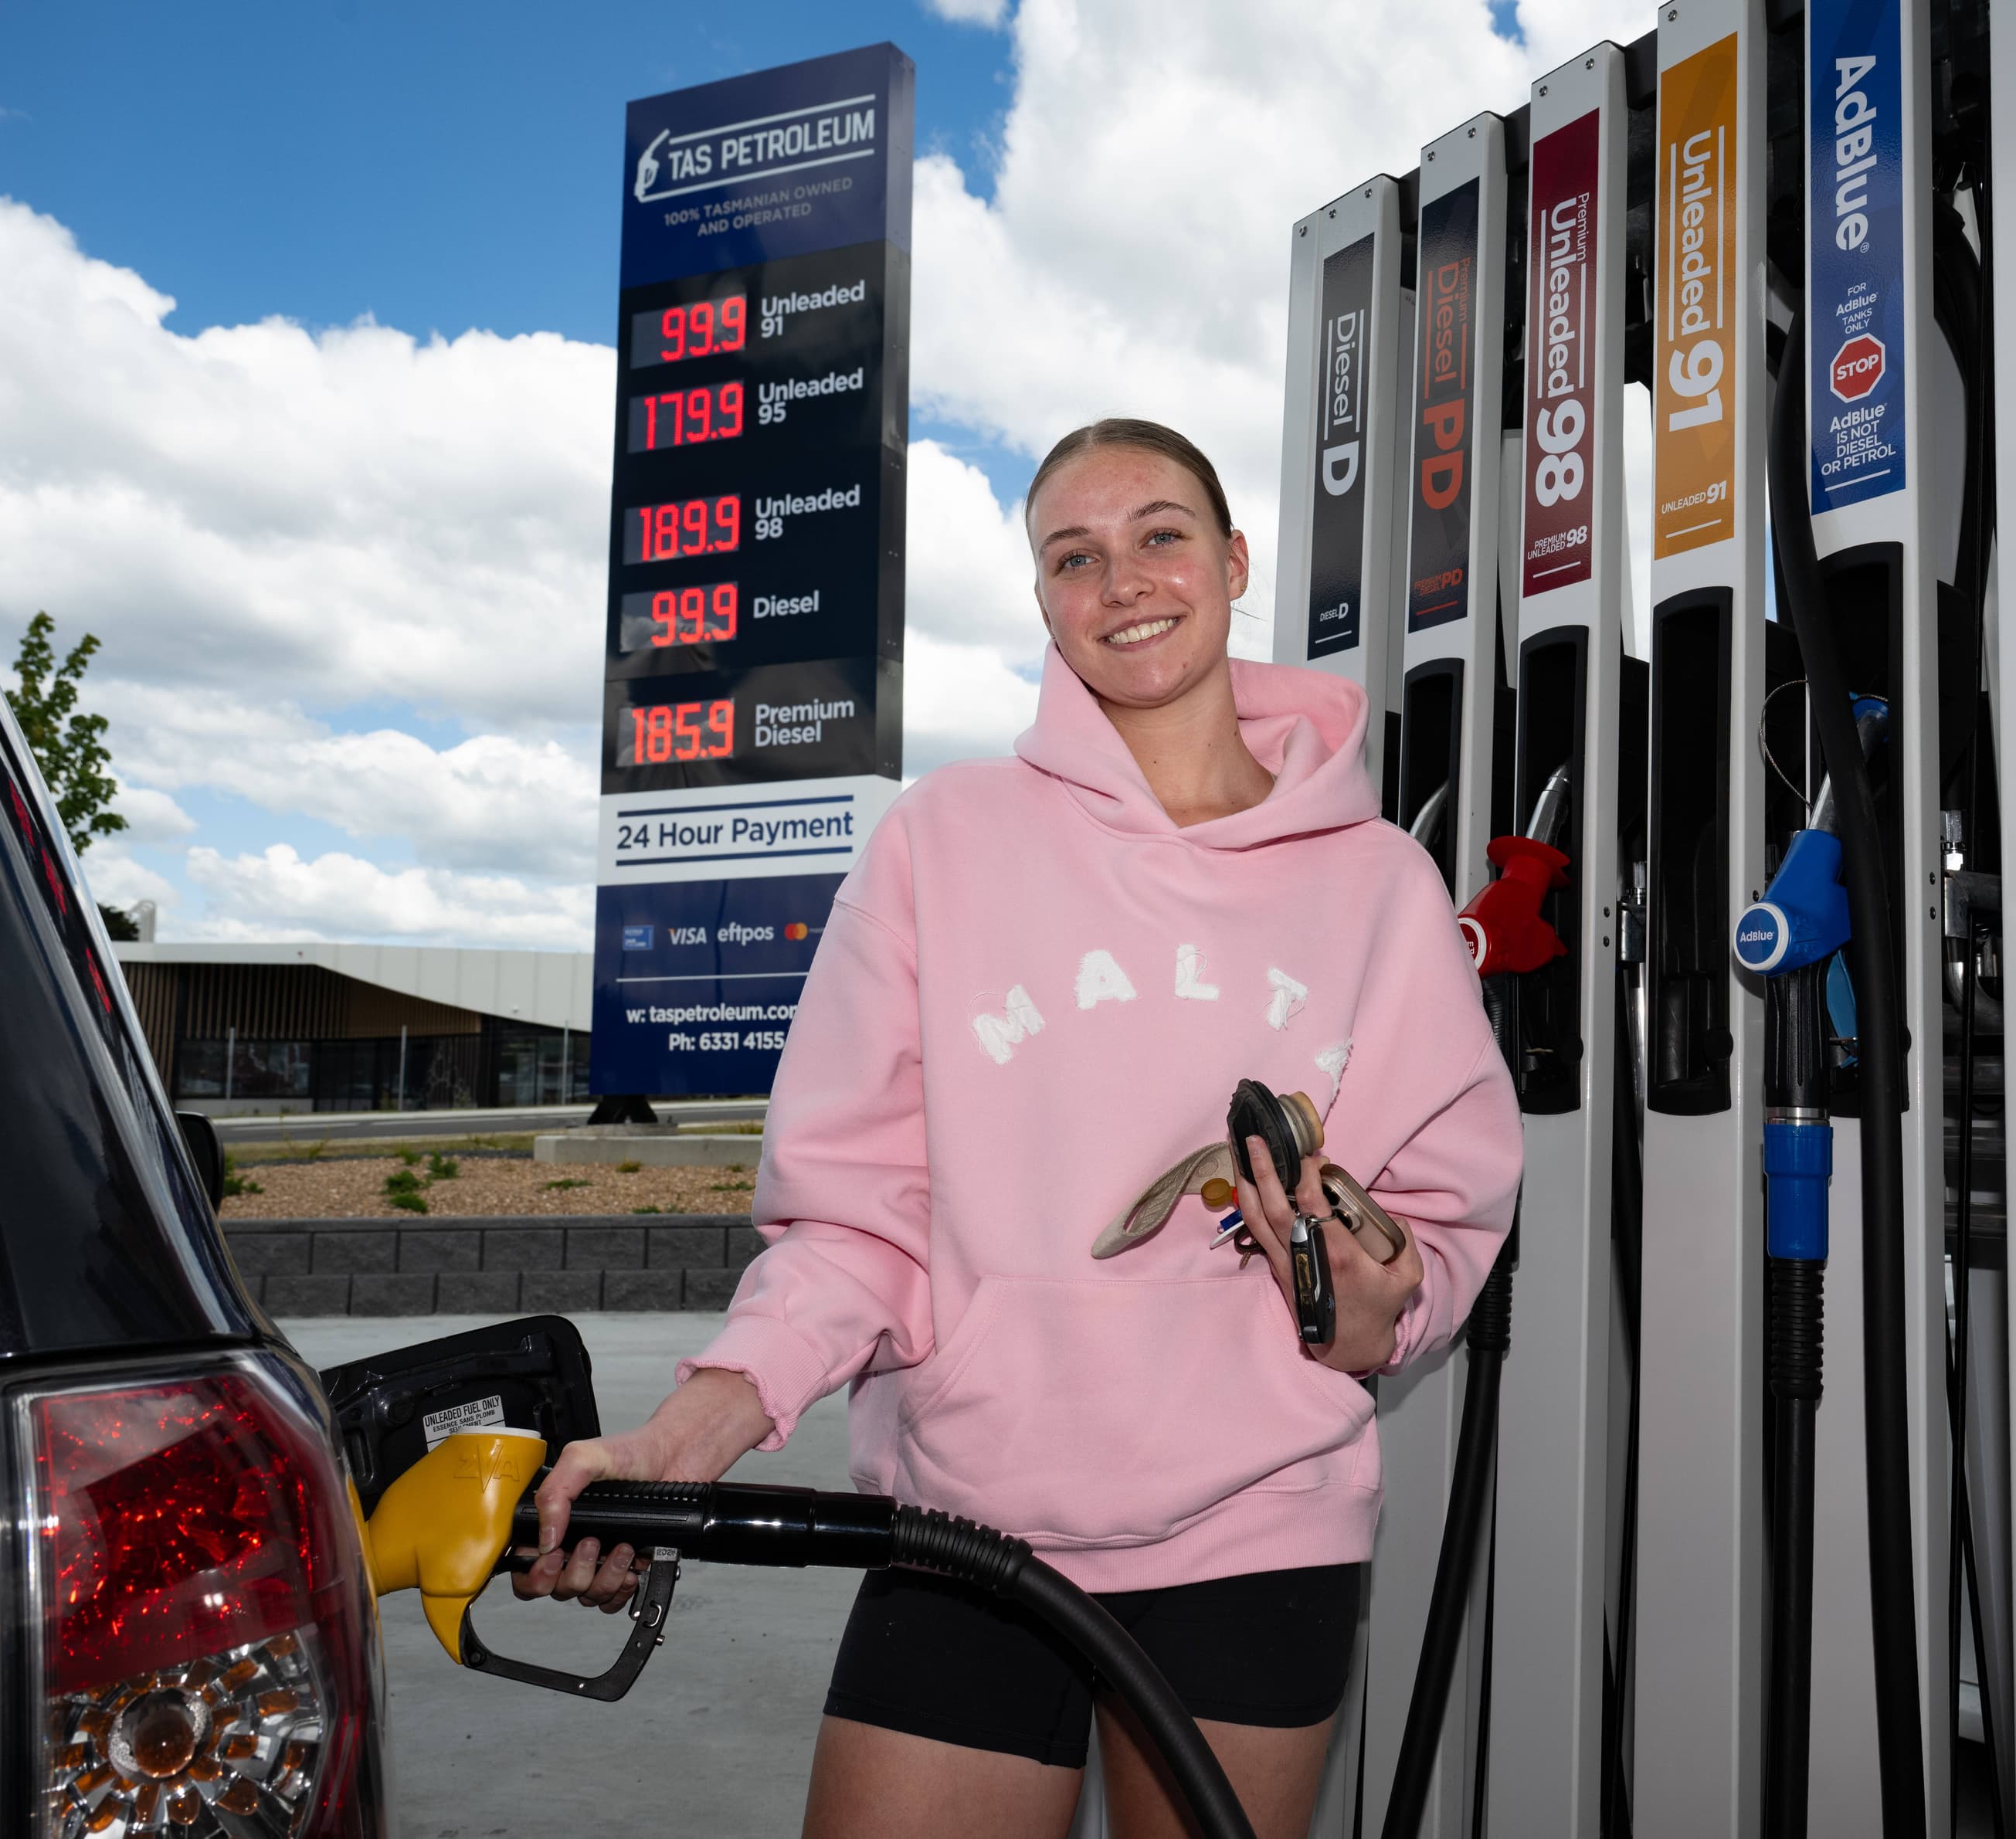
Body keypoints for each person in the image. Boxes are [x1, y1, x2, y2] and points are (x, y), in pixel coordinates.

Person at [516, 418, 1522, 1837]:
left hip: (1259, 1531)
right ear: (1045, 601)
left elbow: (1444, 1213)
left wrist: (1380, 1306)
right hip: (964, 1526)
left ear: (1233, 562)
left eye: (1161, 533)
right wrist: (690, 1433)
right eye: (1074, 555)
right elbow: (856, 1224)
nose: (1123, 579)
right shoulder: (944, 844)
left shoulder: (1380, 887)